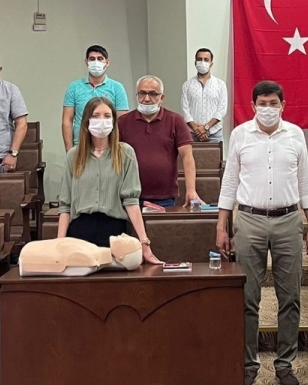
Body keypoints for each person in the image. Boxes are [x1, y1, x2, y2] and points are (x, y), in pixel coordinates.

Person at [217, 80, 308, 385]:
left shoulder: (295, 135)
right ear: (253, 106)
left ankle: (285, 364)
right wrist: (222, 226)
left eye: (273, 103)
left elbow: (306, 181)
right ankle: (248, 365)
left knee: (291, 297)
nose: (268, 108)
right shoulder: (240, 135)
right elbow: (229, 182)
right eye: (262, 103)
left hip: (288, 221)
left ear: (282, 105)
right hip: (249, 220)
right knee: (248, 298)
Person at [55, 97, 160, 263]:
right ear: (86, 121)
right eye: (95, 116)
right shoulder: (73, 156)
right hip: (80, 230)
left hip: (114, 231)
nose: (101, 121)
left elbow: (131, 202)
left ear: (113, 121)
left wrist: (144, 243)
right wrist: (58, 246)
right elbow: (65, 207)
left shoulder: (125, 153)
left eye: (107, 116)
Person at [118, 76, 199, 209]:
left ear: (162, 98)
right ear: (137, 95)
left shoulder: (175, 120)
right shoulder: (123, 122)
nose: (146, 99)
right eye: (142, 93)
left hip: (165, 197)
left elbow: (187, 157)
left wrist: (191, 190)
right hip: (131, 196)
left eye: (153, 94)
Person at [62, 45, 129, 150]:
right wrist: (69, 150)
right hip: (80, 146)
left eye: (100, 58)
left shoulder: (117, 88)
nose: (96, 62)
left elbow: (122, 121)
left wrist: (117, 148)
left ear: (107, 62)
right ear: (86, 62)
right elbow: (67, 120)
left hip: (109, 147)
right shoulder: (74, 87)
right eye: (92, 59)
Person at [181, 48, 227, 144]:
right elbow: (185, 110)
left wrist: (206, 127)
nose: (202, 62)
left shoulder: (220, 84)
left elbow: (222, 109)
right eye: (199, 59)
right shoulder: (187, 85)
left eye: (206, 60)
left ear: (211, 63)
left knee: (216, 155)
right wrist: (196, 129)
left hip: (215, 134)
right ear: (195, 63)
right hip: (192, 134)